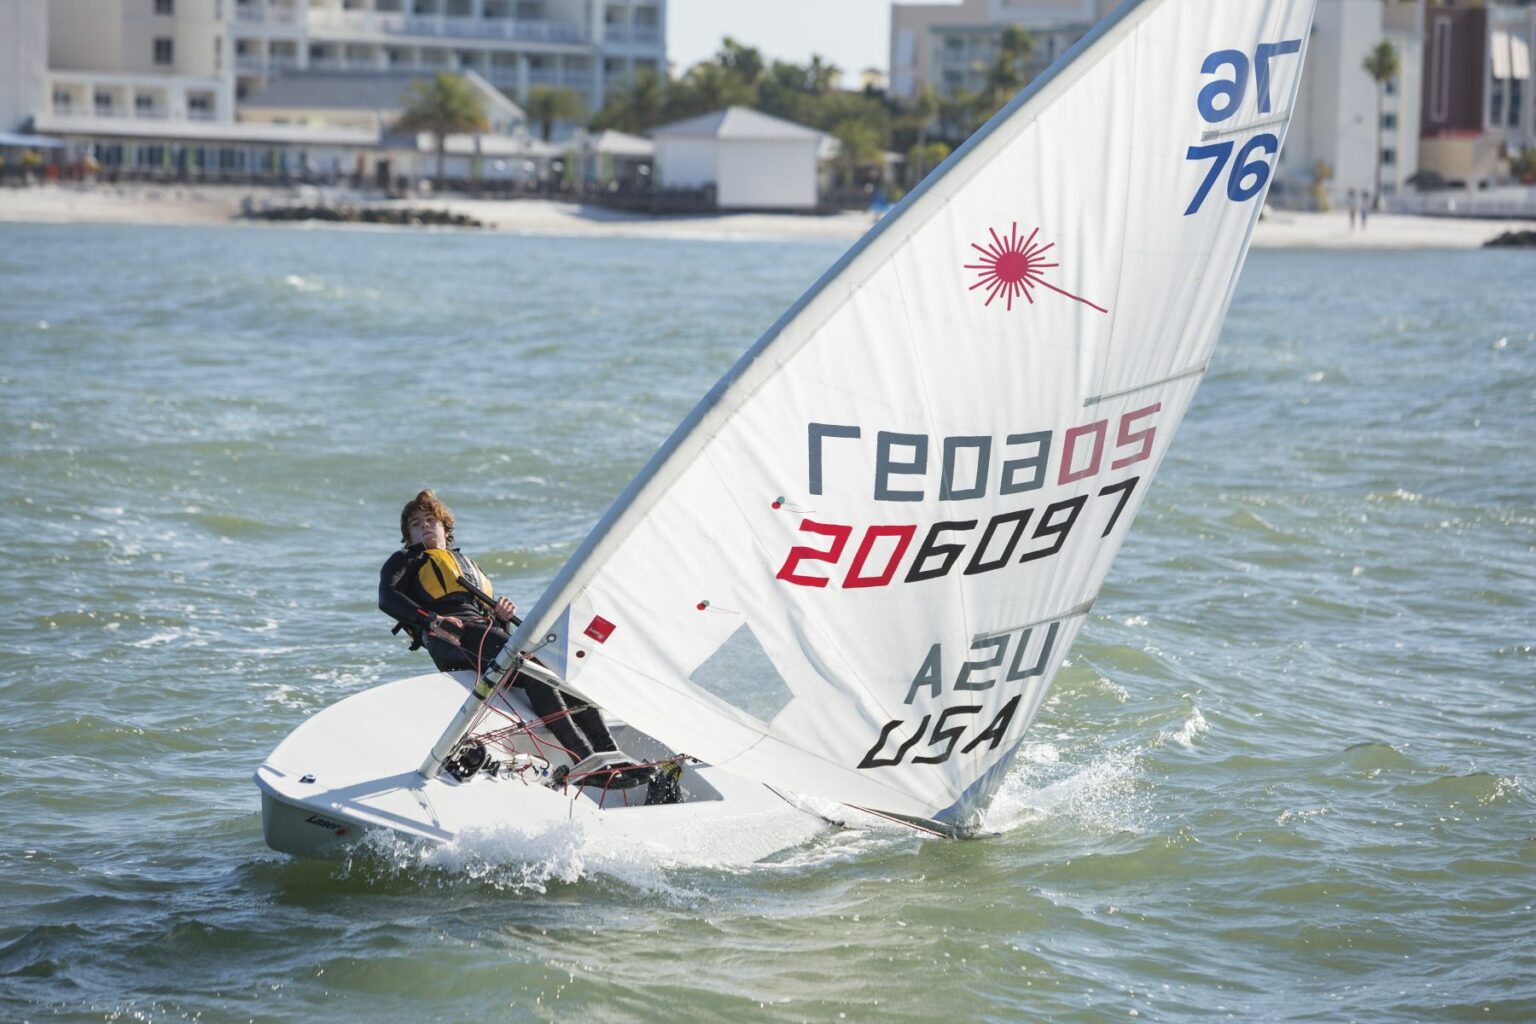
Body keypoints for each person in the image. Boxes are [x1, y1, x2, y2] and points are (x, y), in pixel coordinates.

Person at [379, 489, 650, 786]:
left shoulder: (466, 564)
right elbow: (387, 599)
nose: (424, 526)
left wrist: (501, 617)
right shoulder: (405, 560)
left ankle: (611, 756)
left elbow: (492, 627)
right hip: (450, 638)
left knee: (558, 675)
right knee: (530, 668)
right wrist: (431, 620)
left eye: (430, 520)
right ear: (409, 536)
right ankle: (585, 762)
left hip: (481, 632)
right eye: (416, 524)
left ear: (446, 528)